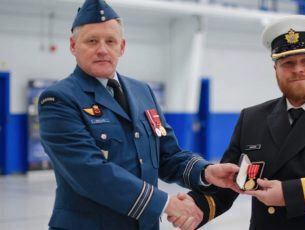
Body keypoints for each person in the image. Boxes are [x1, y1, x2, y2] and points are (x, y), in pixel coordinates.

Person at [38, 0, 238, 229]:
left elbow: (168, 155)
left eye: (110, 41)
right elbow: (90, 172)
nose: (102, 49)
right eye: (92, 41)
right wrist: (166, 204)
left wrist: (206, 172)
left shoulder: (141, 92)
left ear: (121, 47)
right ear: (73, 46)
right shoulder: (58, 99)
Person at [187, 14, 305, 230]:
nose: (298, 69)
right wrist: (197, 205)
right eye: (288, 63)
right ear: (276, 69)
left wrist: (290, 195)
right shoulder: (252, 118)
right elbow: (232, 181)